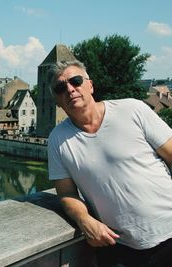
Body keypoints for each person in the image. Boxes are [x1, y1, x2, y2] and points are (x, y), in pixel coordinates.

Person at [47, 60, 172, 267]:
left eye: (75, 81)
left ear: (91, 85)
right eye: (60, 88)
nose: (69, 89)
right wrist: (85, 220)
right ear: (57, 101)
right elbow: (66, 193)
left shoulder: (133, 110)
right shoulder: (57, 140)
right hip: (118, 247)